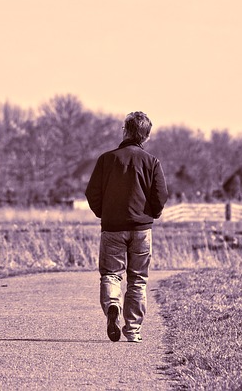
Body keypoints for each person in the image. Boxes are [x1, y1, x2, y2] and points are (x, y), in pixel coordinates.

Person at [85, 111, 168, 342]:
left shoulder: (106, 159)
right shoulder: (151, 162)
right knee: (138, 279)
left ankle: (113, 305)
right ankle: (133, 329)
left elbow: (92, 193)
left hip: (112, 228)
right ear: (147, 136)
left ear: (125, 130)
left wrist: (104, 213)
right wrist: (152, 214)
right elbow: (161, 194)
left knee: (111, 274)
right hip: (141, 229)